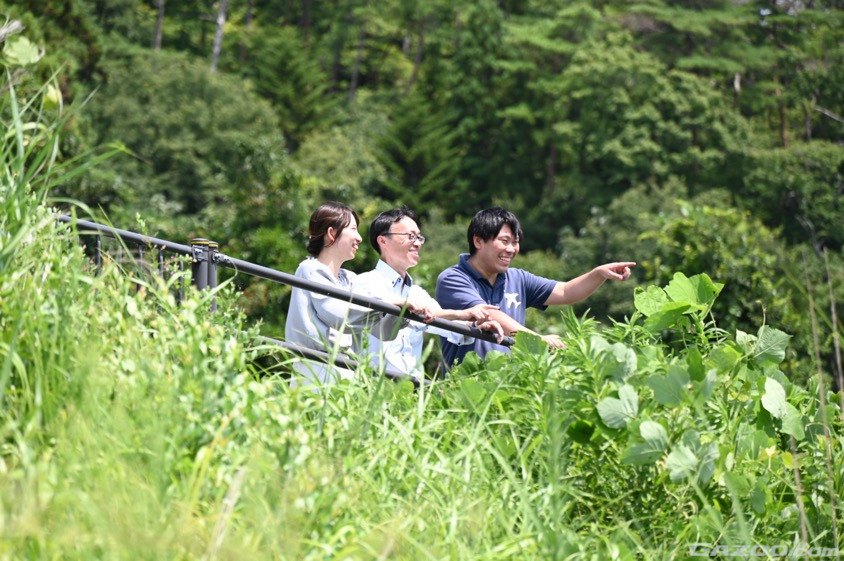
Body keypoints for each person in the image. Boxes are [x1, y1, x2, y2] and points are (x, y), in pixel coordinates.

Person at [435, 207, 635, 367]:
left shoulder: (517, 278)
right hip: (465, 387)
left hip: (512, 386)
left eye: (515, 242)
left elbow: (565, 292)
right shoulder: (453, 278)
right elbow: (488, 315)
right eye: (504, 241)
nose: (511, 249)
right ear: (478, 241)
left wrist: (598, 274)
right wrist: (538, 340)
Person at [354, 208, 504, 378]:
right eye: (410, 236)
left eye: (419, 237)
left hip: (410, 393)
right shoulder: (366, 283)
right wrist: (464, 313)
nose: (417, 243)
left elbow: (445, 322)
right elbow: (389, 307)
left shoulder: (417, 292)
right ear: (383, 240)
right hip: (372, 389)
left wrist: (477, 325)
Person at [284, 202, 408, 388]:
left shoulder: (349, 279)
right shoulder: (309, 269)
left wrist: (400, 310)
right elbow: (340, 315)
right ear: (332, 233)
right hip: (315, 368)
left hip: (345, 370)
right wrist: (389, 301)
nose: (359, 238)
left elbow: (382, 331)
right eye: (353, 229)